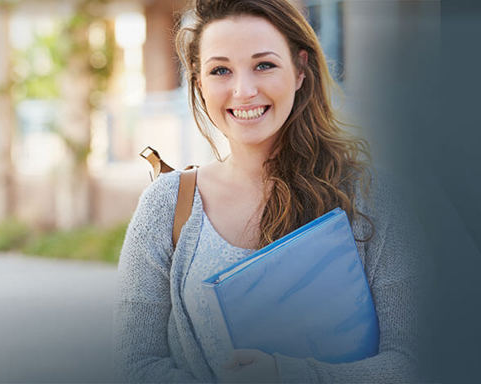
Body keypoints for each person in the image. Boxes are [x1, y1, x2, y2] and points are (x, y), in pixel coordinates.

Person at [115, 0, 422, 382]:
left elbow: (415, 361)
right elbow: (137, 365)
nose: (243, 91)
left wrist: (290, 375)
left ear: (300, 70)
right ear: (198, 82)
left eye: (264, 65)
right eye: (220, 70)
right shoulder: (166, 206)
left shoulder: (373, 197)